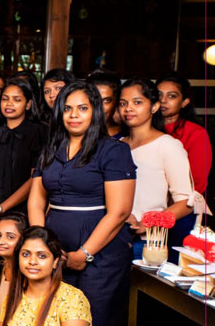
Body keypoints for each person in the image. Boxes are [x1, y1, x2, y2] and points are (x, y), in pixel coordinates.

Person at [28, 80, 135, 326]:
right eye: (68, 108)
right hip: (56, 247)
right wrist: (42, 246)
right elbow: (36, 199)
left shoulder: (113, 150)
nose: (74, 115)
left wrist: (85, 253)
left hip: (100, 251)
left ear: (96, 112)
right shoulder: (51, 148)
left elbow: (119, 211)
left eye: (83, 108)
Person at [119, 79, 194, 259]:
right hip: (114, 237)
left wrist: (148, 223)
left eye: (137, 102)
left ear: (154, 107)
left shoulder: (167, 145)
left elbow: (186, 202)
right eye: (123, 103)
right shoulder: (118, 145)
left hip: (146, 242)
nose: (128, 108)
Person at [0, 77, 45, 237]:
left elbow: (34, 180)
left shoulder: (39, 133)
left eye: (17, 100)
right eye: (5, 99)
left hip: (25, 213)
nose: (9, 104)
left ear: (28, 104)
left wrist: (0, 209)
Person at [156, 72, 211, 261]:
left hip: (181, 212)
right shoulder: (144, 130)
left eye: (171, 96)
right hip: (147, 210)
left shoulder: (196, 133)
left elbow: (198, 183)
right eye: (159, 95)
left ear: (185, 102)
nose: (163, 100)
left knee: (172, 265)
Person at [88, 70, 122, 137]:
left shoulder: (127, 135)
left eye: (107, 100)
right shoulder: (76, 133)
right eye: (95, 99)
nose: (100, 106)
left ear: (116, 102)